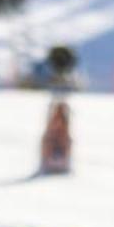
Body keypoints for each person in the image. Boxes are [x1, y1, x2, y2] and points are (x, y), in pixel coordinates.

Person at [39, 44, 78, 174]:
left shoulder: (60, 73)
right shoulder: (64, 73)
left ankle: (55, 158)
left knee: (58, 126)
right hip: (59, 103)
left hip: (59, 103)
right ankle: (55, 158)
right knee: (59, 126)